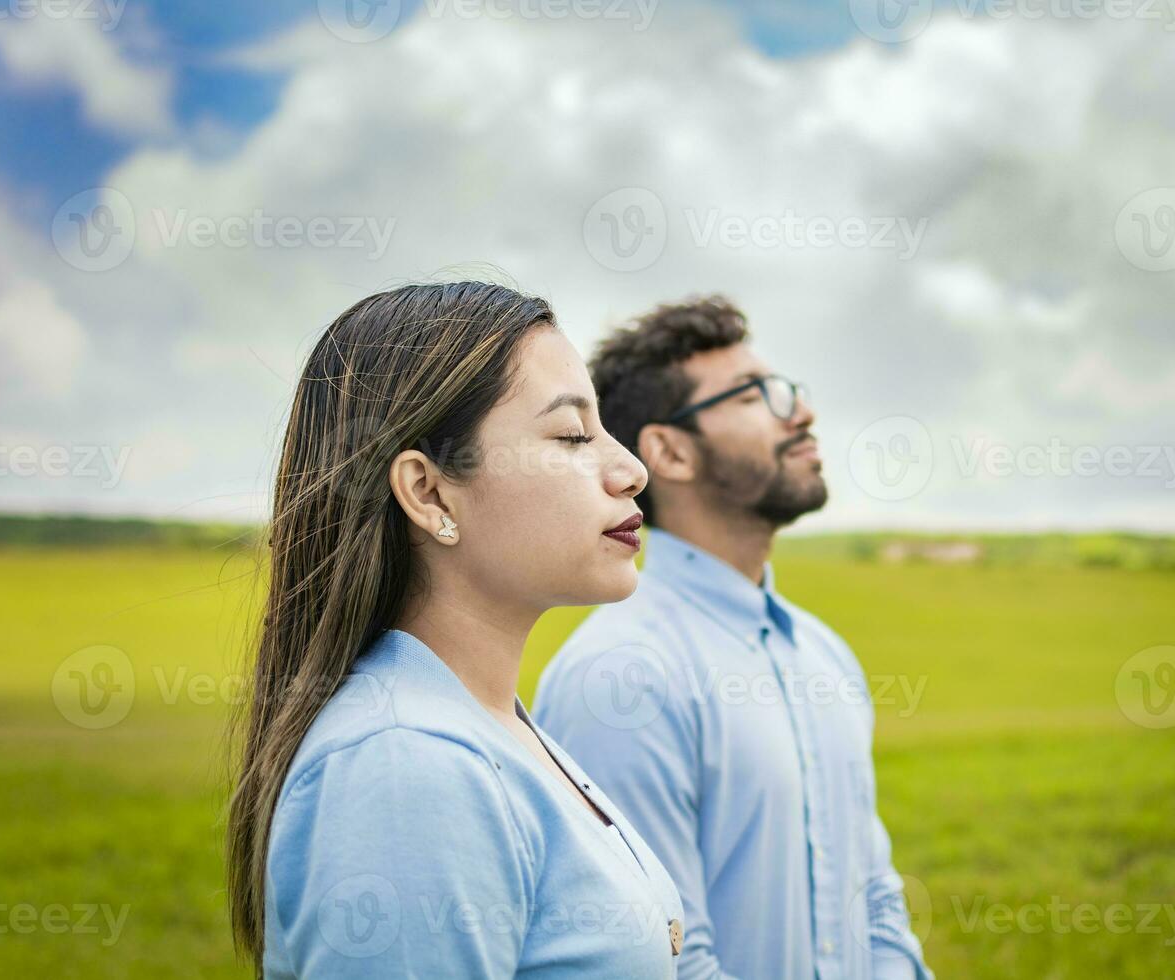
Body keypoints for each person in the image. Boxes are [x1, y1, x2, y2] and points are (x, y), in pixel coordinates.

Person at [225, 281, 684, 978]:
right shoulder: (406, 767)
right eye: (570, 435)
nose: (630, 470)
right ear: (428, 491)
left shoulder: (489, 727)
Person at [533, 296, 933, 980]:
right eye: (755, 397)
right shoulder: (621, 677)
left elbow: (876, 905)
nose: (799, 413)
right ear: (669, 451)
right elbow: (665, 960)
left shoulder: (825, 653)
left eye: (788, 392)